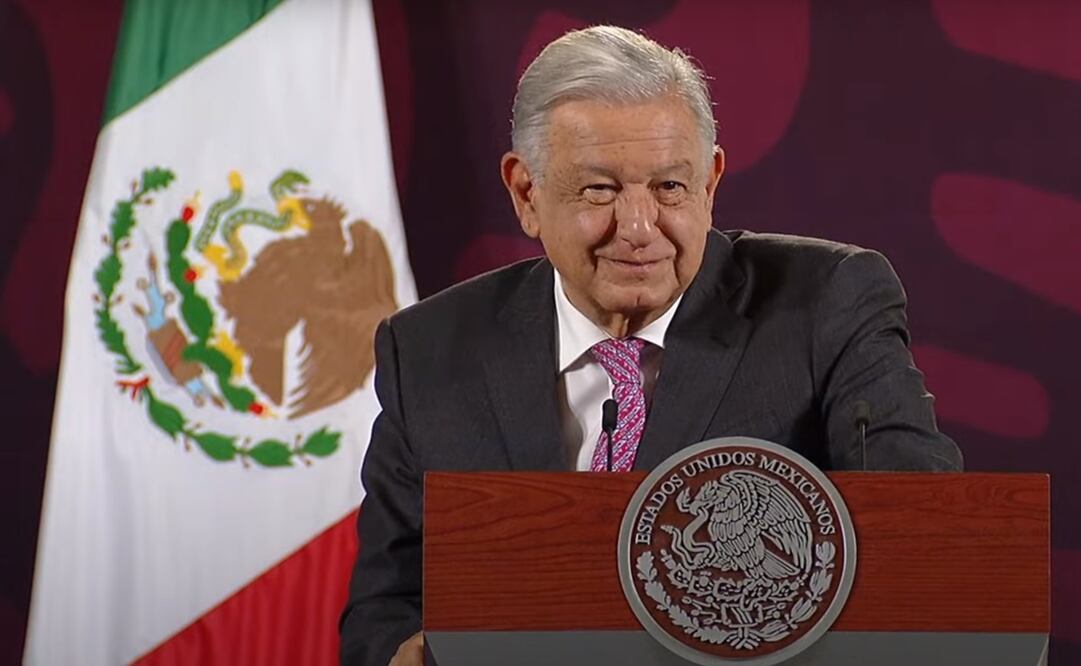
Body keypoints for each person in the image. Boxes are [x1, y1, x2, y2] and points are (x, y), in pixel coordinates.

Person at [339, 25, 962, 666]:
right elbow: (386, 607)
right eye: (599, 190)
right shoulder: (430, 351)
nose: (639, 229)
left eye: (669, 188)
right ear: (526, 193)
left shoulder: (827, 305)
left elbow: (923, 538)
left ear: (711, 182)